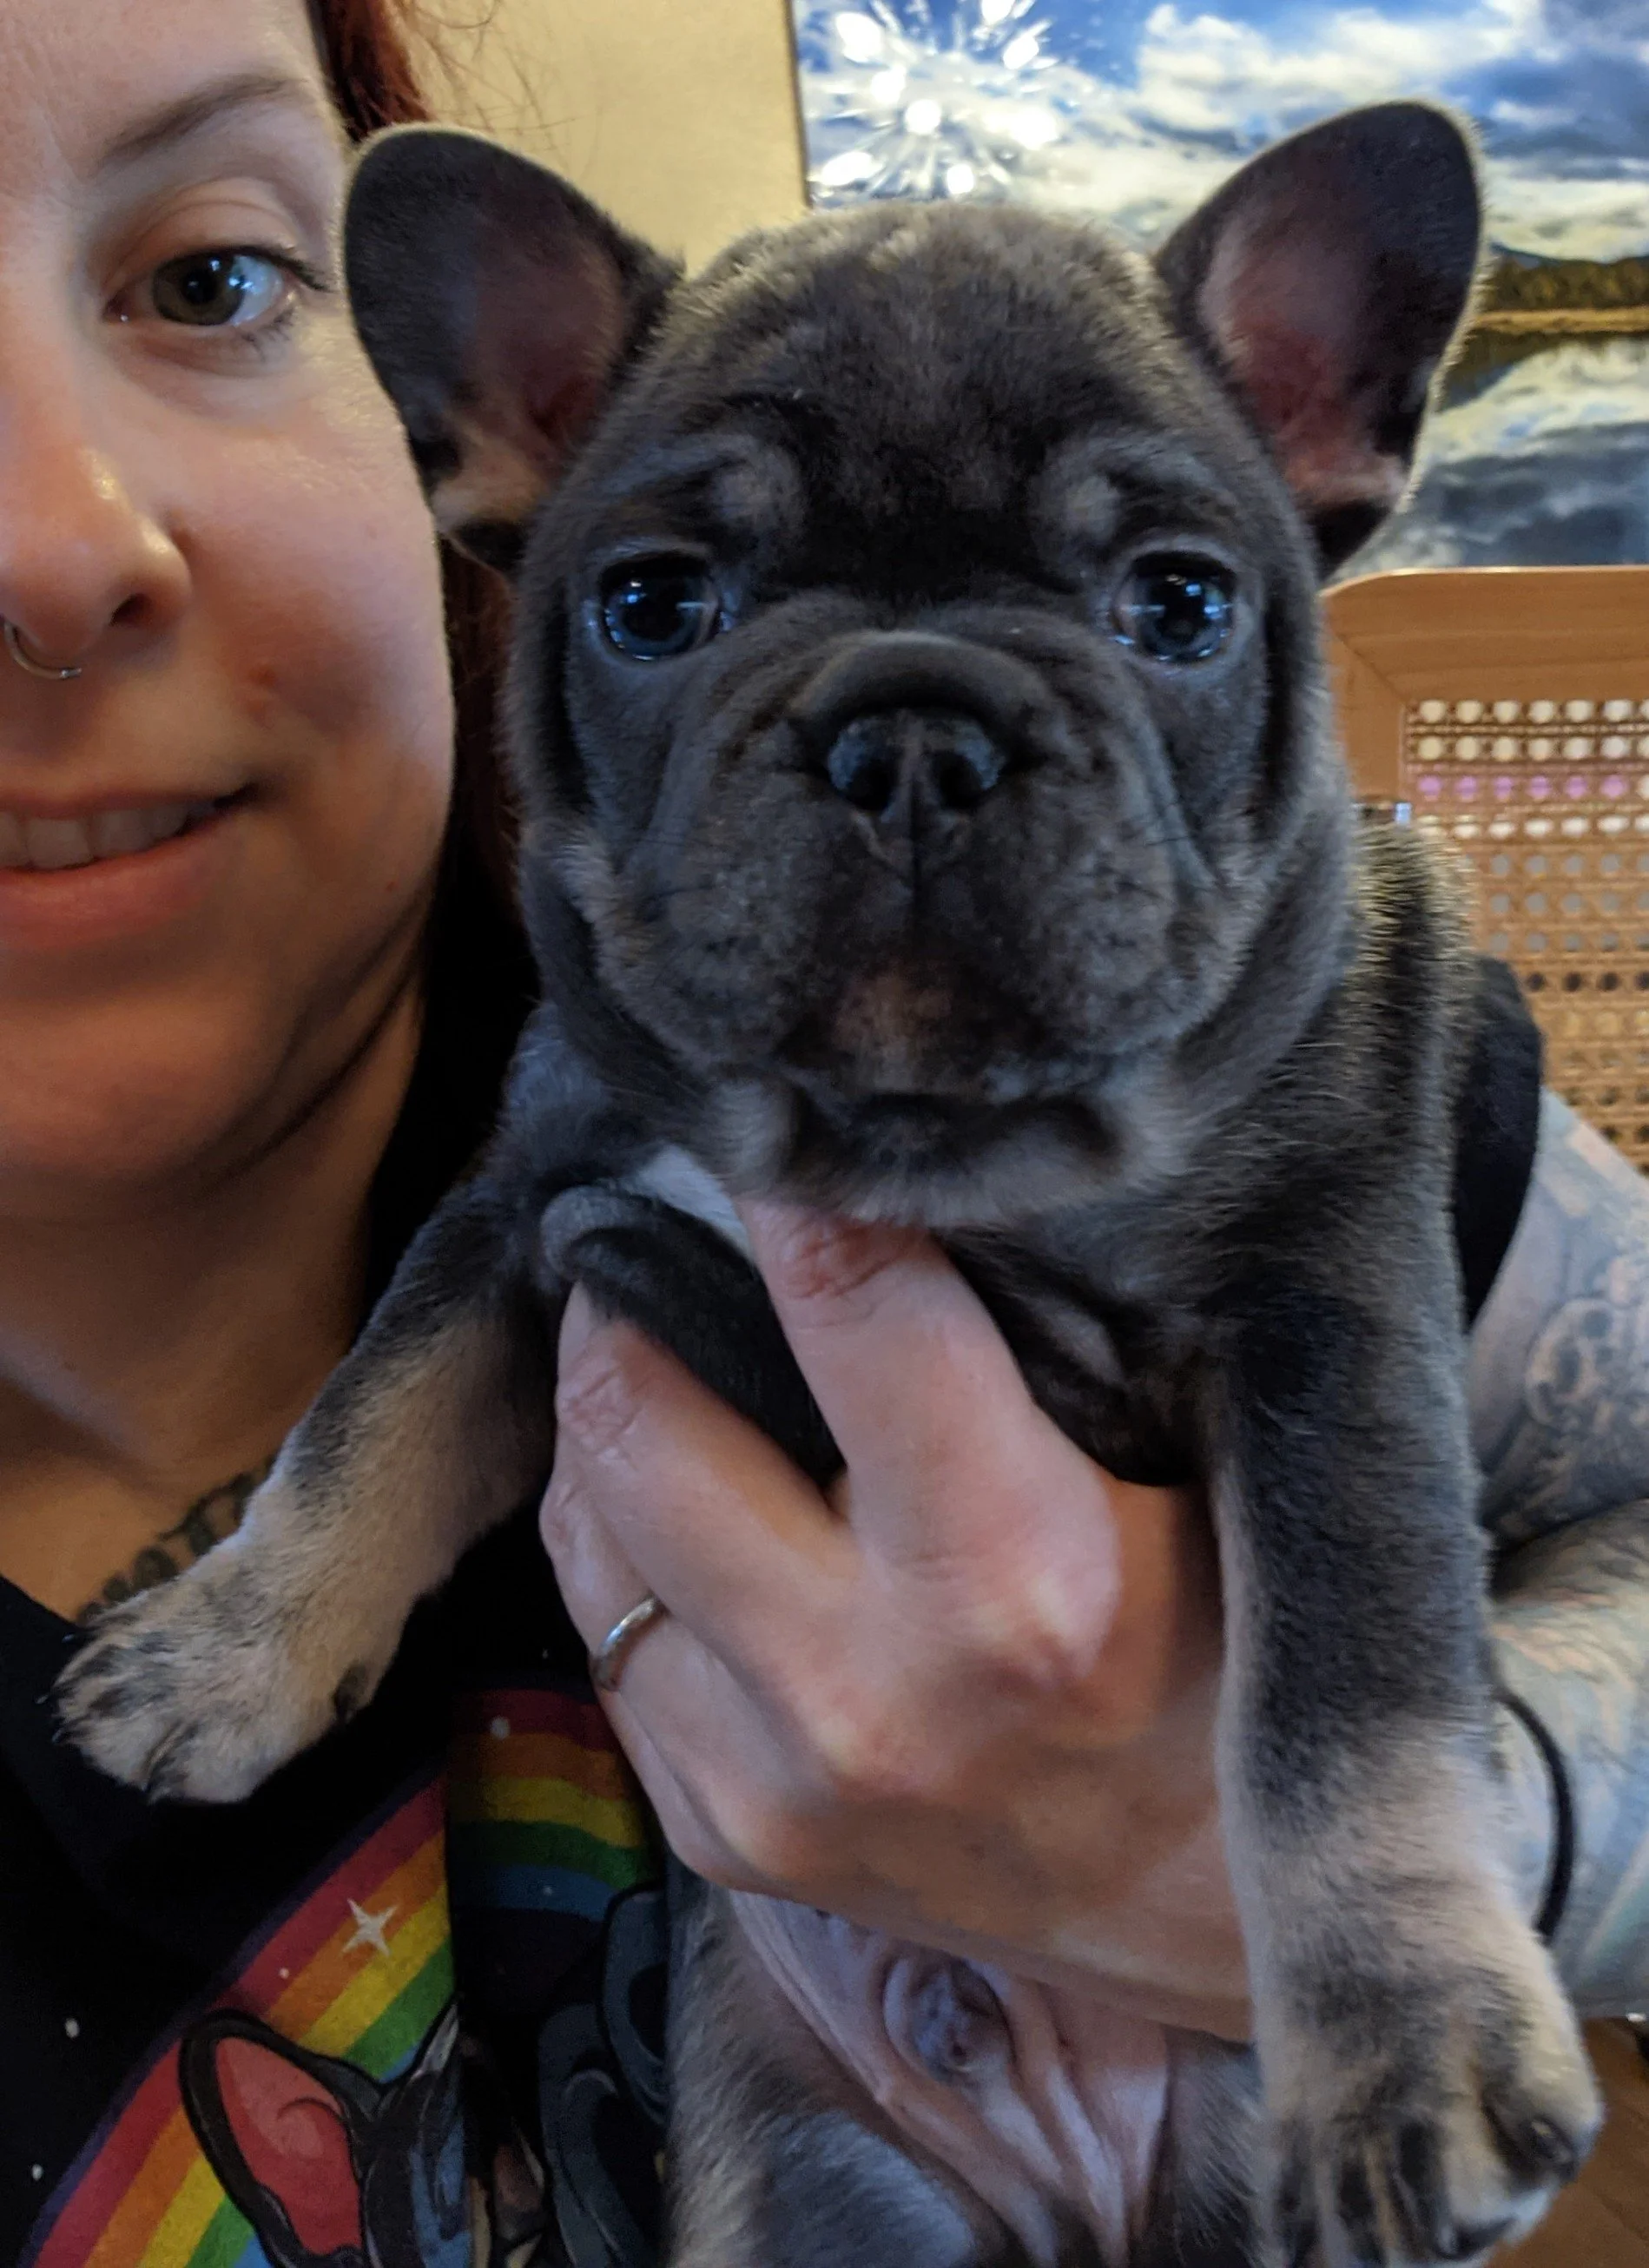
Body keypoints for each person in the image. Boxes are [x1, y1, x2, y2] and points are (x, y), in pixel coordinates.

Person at [1, 1, 1646, 2262]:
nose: (47, 543)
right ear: (510, 437)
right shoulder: (590, 1092)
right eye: (671, 599)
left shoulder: (1356, 1046)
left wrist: (1394, 1866)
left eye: (208, 278)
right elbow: (496, 1284)